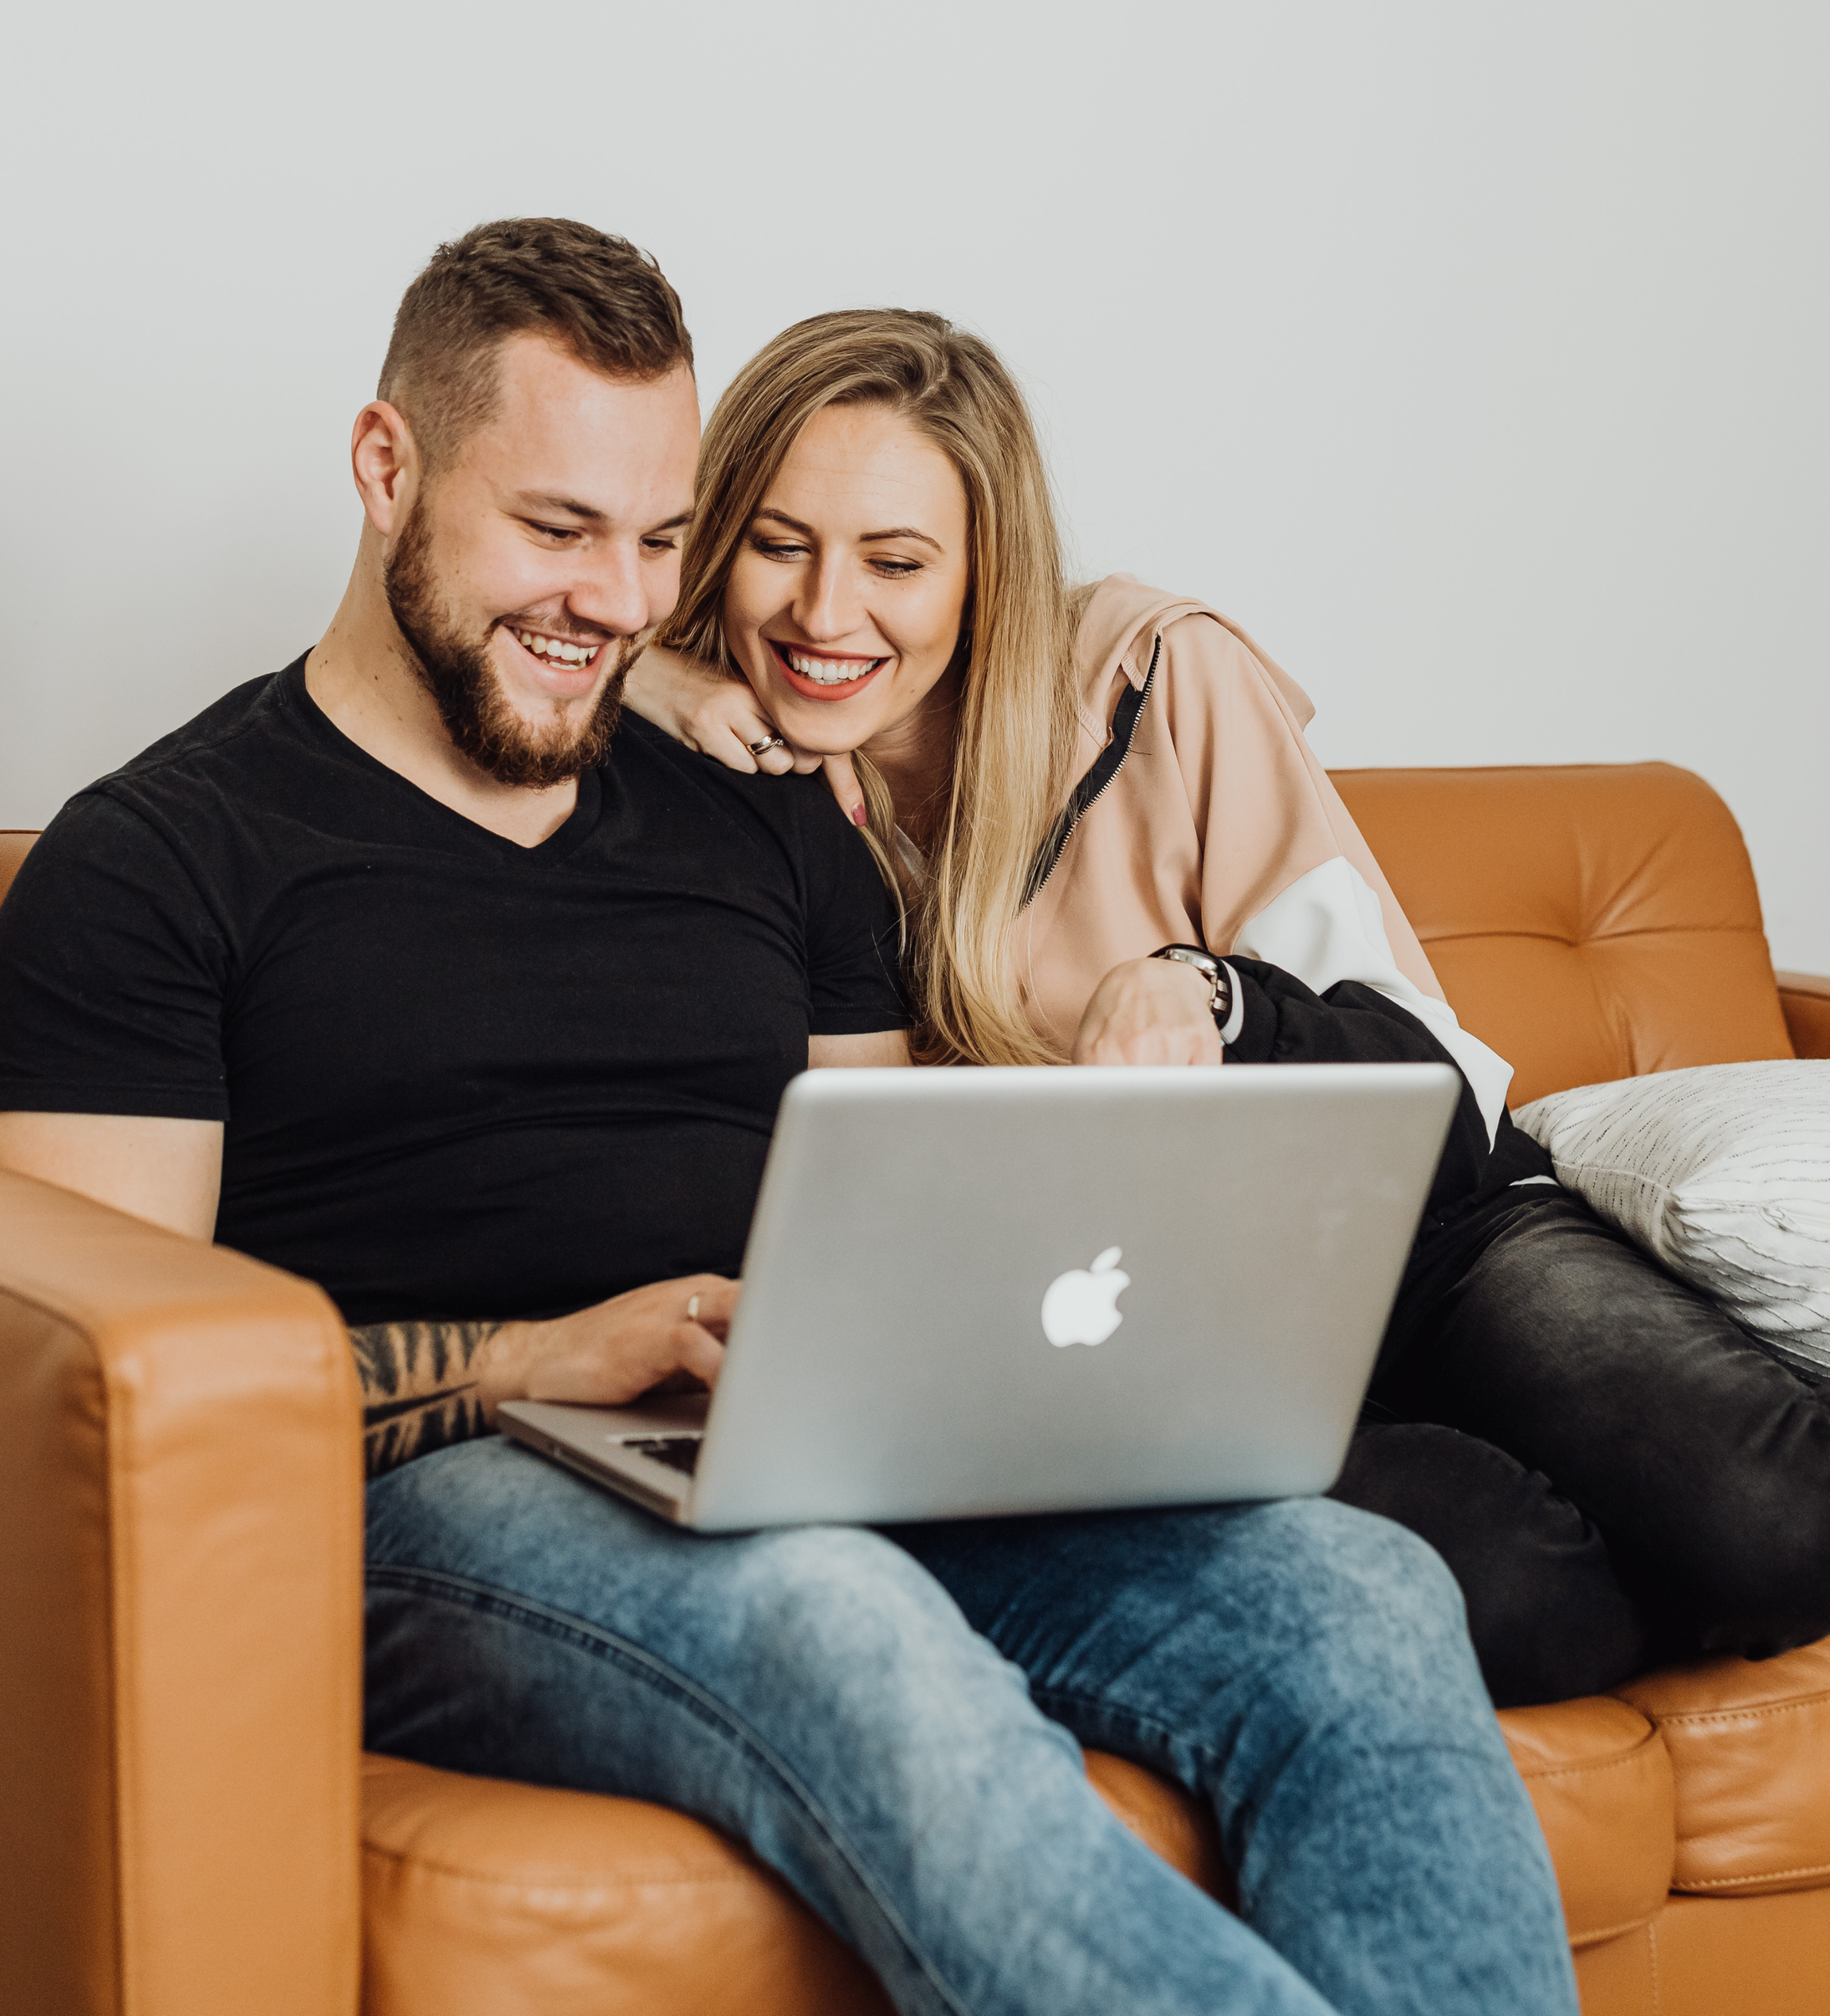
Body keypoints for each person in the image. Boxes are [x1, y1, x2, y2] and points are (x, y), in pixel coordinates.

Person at [0, 218, 1577, 2015]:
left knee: (1352, 1590)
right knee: (834, 1618)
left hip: (798, 1445)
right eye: (554, 530)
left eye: (657, 543)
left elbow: (890, 1203)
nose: (612, 597)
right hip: (445, 1497)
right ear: (383, 466)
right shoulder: (157, 865)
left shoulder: (761, 814)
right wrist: (532, 1356)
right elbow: (89, 1399)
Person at [627, 306, 1830, 1709]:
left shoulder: (1158, 679)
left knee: (1778, 1527)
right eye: (781, 545)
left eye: (896, 561)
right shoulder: (723, 788)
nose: (828, 616)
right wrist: (642, 673)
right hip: (1154, 1343)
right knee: (1511, 1596)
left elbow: (1433, 1075)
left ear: (982, 570)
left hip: (1424, 1240)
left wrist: (1215, 994)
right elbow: (490, 656)